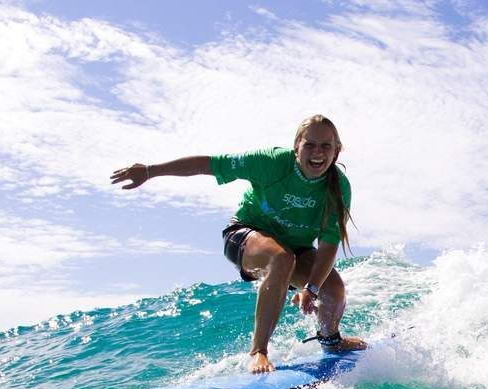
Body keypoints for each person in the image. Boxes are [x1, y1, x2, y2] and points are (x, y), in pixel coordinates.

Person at [111, 114, 367, 374]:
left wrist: (311, 289)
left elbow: (327, 247)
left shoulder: (338, 187)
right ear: (296, 147)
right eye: (309, 144)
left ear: (336, 151)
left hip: (296, 248)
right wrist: (150, 171)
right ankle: (258, 352)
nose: (317, 153)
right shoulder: (271, 163)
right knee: (281, 258)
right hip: (245, 236)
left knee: (333, 290)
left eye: (326, 146)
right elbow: (208, 164)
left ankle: (331, 341)